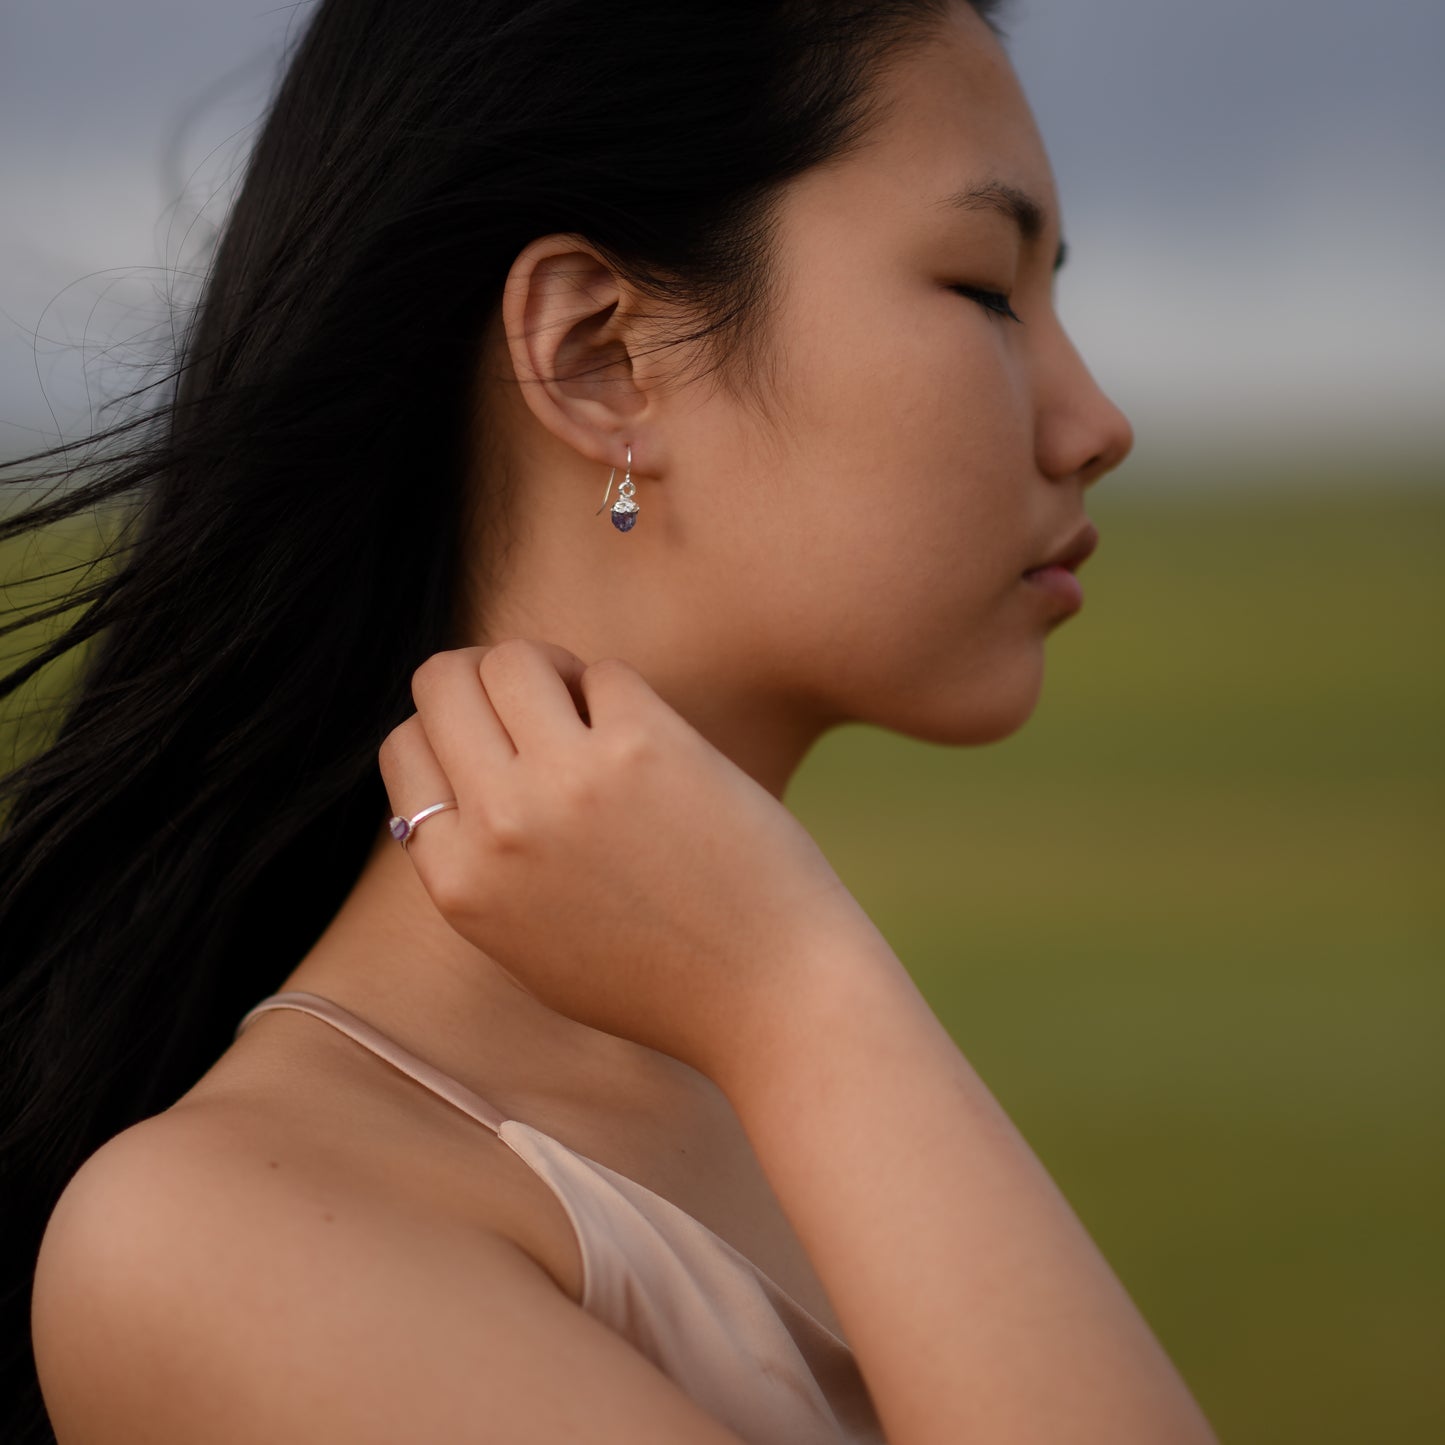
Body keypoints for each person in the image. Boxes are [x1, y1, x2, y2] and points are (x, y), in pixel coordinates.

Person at [0, 0, 1220, 1440]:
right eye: (983, 288)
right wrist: (796, 998)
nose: (1095, 422)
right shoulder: (216, 1243)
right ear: (597, 356)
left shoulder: (745, 1068)